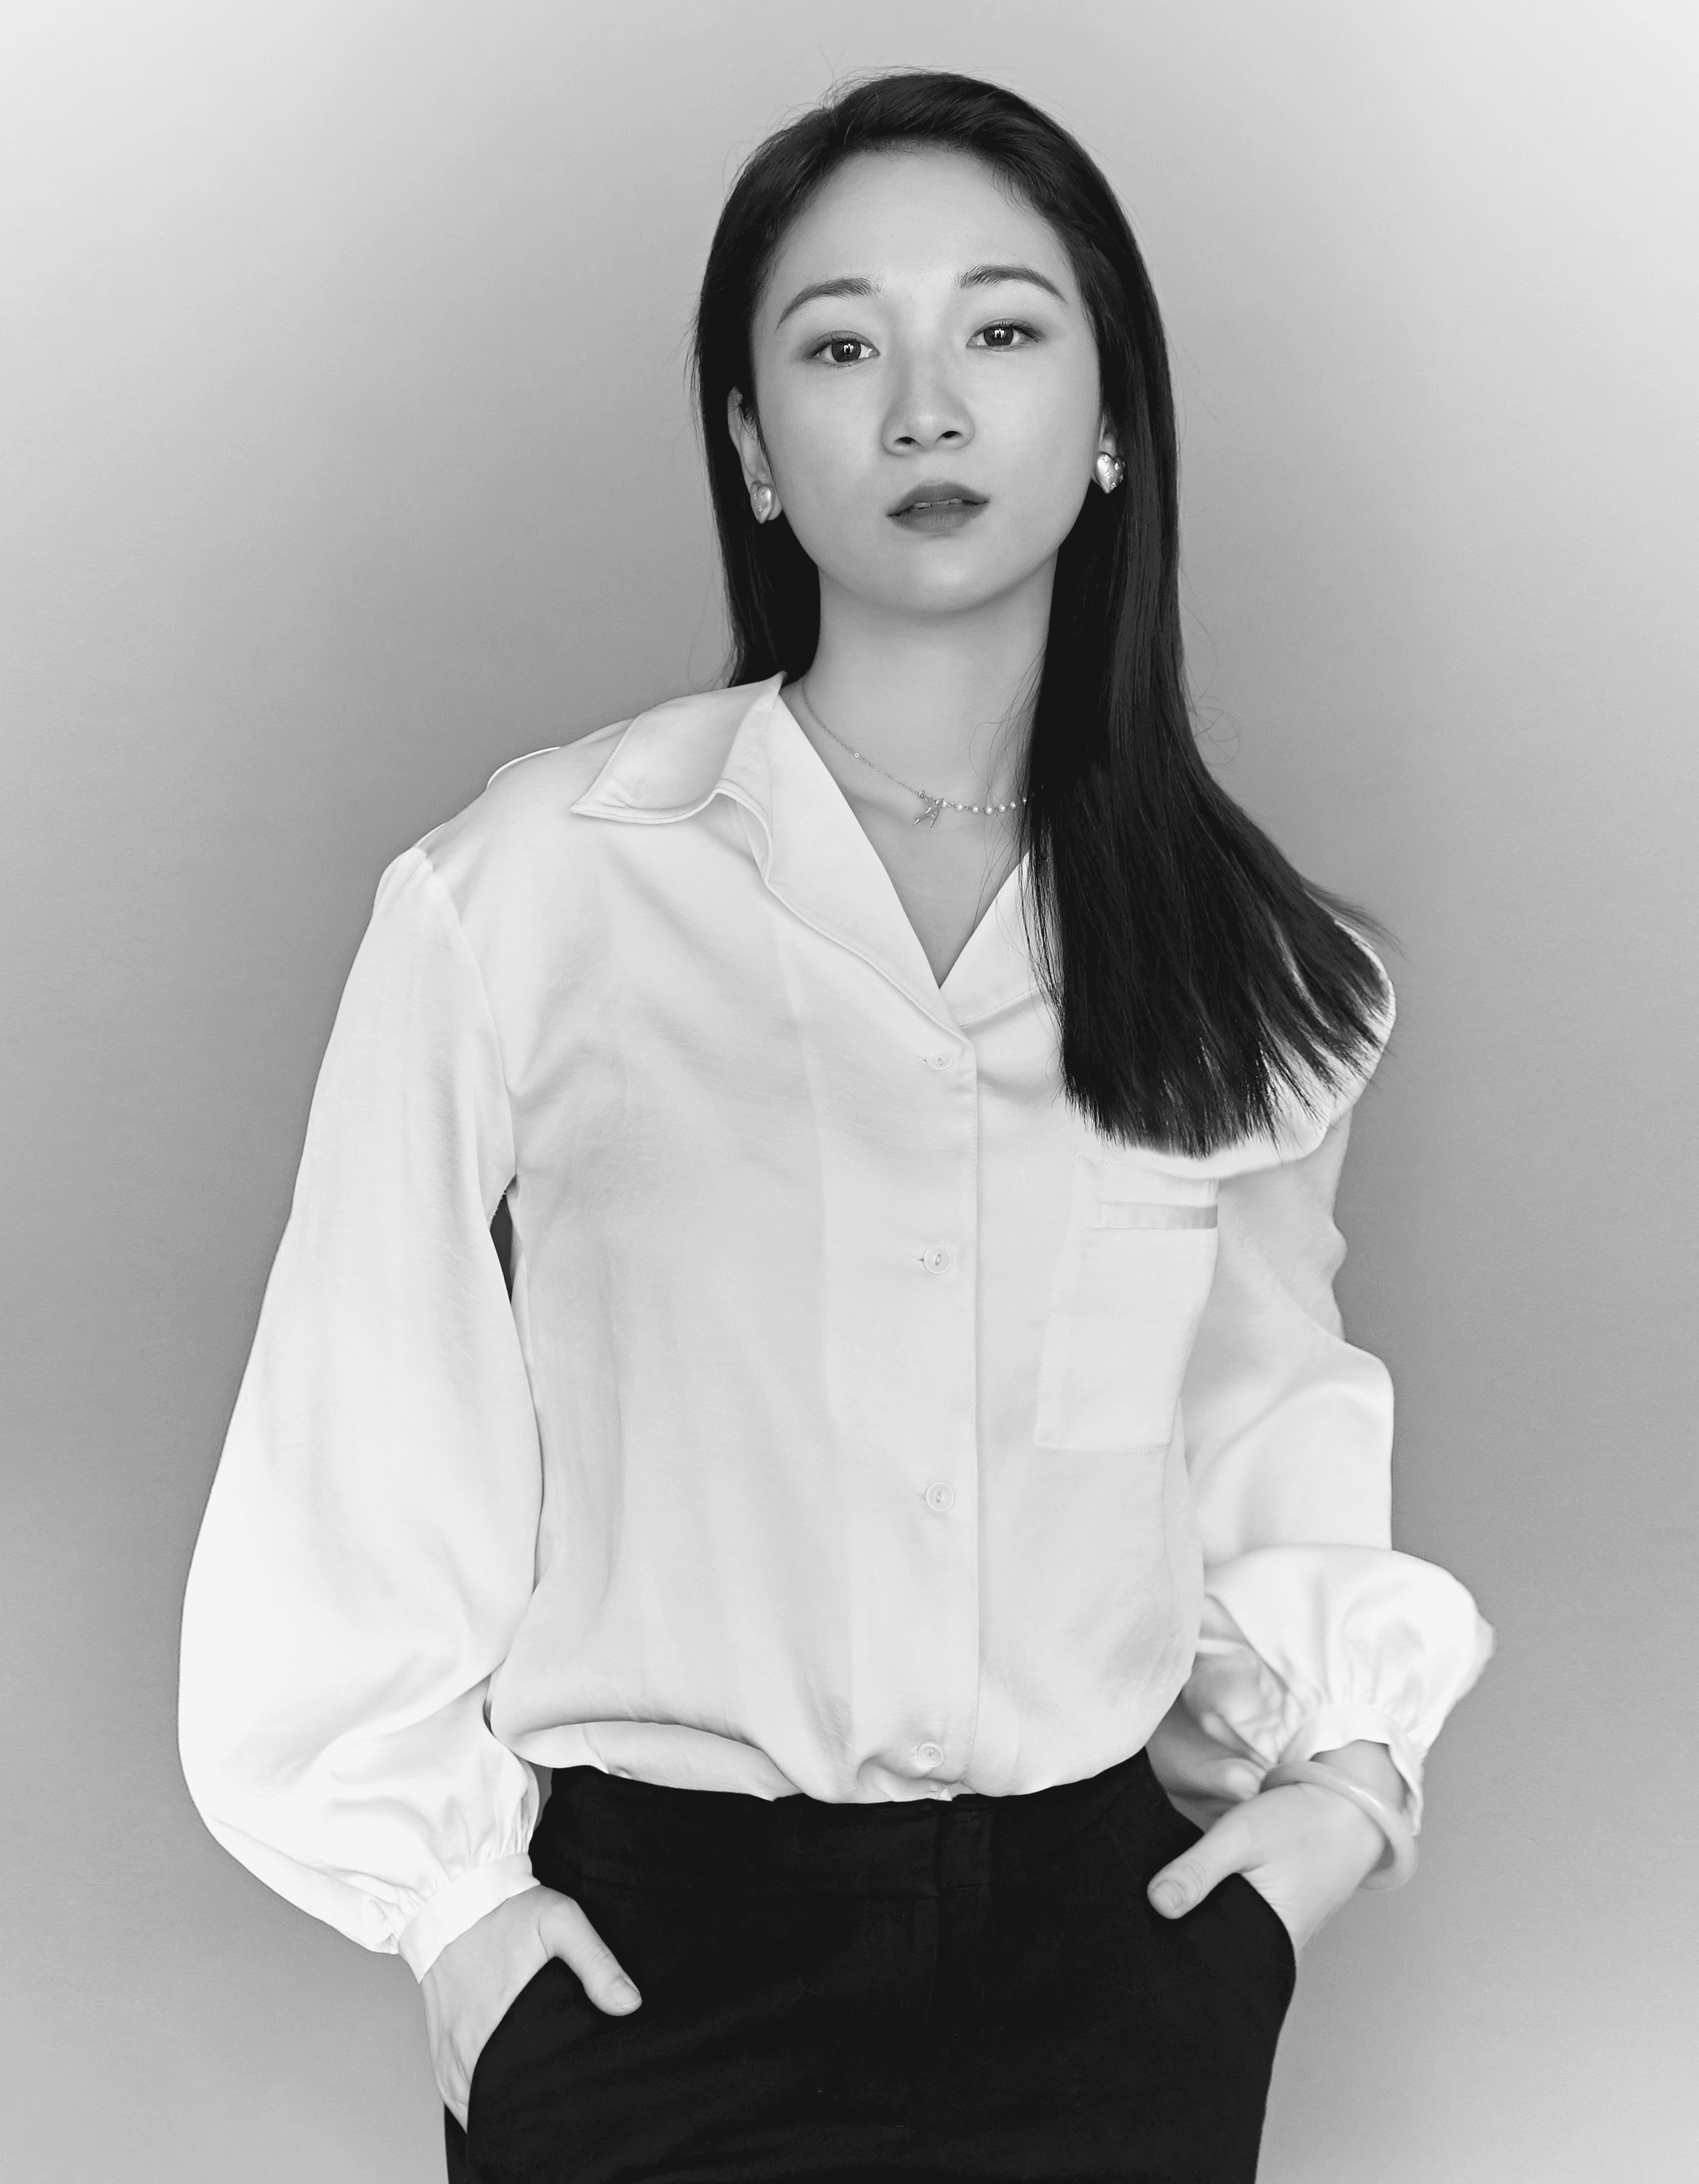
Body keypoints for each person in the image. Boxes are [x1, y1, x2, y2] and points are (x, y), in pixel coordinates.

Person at [178, 69, 1493, 2184]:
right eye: (840, 345)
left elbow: (1268, 1417)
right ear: (750, 448)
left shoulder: (1247, 955)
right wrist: (456, 1921)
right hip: (650, 1977)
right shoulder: (534, 888)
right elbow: (364, 1414)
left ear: (1114, 415)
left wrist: (1338, 1805)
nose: (926, 409)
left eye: (1002, 329)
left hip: (1107, 1977)